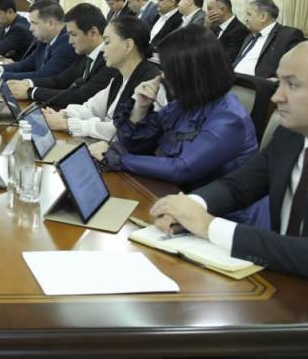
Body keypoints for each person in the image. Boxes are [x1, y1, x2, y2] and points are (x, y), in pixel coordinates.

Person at [151, 40, 308, 359]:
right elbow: (239, 186)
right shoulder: (292, 134)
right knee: (180, 325)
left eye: (292, 85)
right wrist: (189, 205)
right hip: (282, 290)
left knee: (219, 357)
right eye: (279, 82)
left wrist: (209, 226)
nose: (276, 96)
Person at [99, 25, 265, 226]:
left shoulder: (229, 118)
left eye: (168, 70)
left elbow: (182, 168)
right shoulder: (185, 104)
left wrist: (119, 159)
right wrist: (140, 108)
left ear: (188, 73)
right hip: (172, 199)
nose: (163, 77)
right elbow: (136, 144)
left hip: (216, 219)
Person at [43, 16, 162, 142]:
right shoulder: (119, 78)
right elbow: (92, 108)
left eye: (107, 42)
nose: (102, 49)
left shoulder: (150, 82)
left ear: (128, 45)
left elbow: (117, 130)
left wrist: (67, 124)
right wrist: (62, 114)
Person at [6, 3, 113, 109]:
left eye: (73, 35)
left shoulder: (109, 61)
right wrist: (28, 83)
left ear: (93, 33)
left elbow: (81, 97)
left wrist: (31, 92)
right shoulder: (86, 55)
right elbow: (59, 81)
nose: (70, 41)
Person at [0, 0, 79, 83]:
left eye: (34, 23)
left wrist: (0, 76)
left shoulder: (67, 43)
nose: (30, 28)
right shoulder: (44, 39)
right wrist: (0, 69)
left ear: (50, 24)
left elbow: (44, 76)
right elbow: (28, 64)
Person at [233, 0, 304, 78]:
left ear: (263, 17)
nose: (245, 19)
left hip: (257, 83)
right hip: (233, 80)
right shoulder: (250, 36)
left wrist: (277, 79)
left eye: (249, 14)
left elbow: (296, 68)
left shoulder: (288, 35)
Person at [206, 0, 249, 64]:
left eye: (209, 9)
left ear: (222, 9)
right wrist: (206, 27)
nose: (207, 13)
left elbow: (228, 59)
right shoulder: (212, 27)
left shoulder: (239, 30)